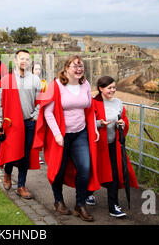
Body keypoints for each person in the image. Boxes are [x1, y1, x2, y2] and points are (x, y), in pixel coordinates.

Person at [32, 55, 100, 221]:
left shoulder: (85, 84)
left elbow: (89, 109)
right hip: (61, 135)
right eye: (75, 66)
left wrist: (94, 128)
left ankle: (80, 204)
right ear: (66, 68)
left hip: (81, 133)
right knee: (59, 170)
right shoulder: (56, 85)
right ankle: (58, 201)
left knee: (84, 168)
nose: (79, 69)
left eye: (81, 66)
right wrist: (56, 134)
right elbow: (47, 112)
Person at [86, 76, 138, 218]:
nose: (113, 90)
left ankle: (113, 206)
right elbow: (87, 122)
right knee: (92, 170)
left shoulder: (118, 103)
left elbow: (124, 119)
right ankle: (88, 193)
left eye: (114, 87)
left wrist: (122, 124)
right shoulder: (93, 103)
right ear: (101, 89)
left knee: (113, 175)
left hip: (113, 145)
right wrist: (99, 124)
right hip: (97, 145)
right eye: (109, 88)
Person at [0, 49, 41, 199]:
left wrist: (35, 115)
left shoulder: (35, 80)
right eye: (21, 58)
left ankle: (21, 185)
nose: (24, 61)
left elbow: (40, 101)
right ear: (15, 60)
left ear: (30, 62)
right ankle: (7, 173)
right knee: (12, 153)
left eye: (27, 59)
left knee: (25, 156)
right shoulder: (7, 80)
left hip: (28, 123)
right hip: (11, 124)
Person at [32, 61, 47, 165]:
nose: (38, 71)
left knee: (38, 133)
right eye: (36, 69)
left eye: (39, 69)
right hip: (30, 109)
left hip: (40, 109)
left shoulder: (43, 82)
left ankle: (37, 155)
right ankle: (34, 156)